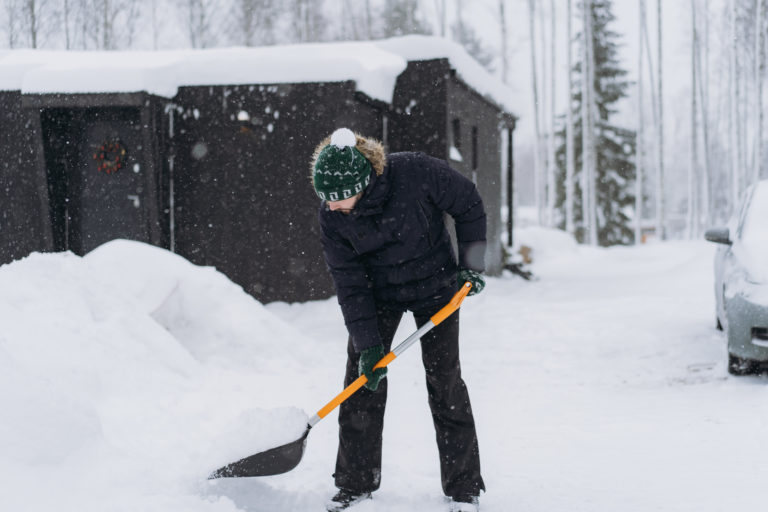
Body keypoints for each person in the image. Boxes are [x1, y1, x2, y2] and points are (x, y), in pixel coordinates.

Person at [311, 128, 487, 512]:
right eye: (324, 199)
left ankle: (463, 489)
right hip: (377, 295)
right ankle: (355, 484)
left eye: (339, 198)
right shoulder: (333, 216)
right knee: (361, 380)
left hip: (437, 288)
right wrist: (368, 345)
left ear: (363, 183)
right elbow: (349, 282)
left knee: (445, 382)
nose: (332, 207)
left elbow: (469, 204)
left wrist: (470, 267)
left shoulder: (416, 173)